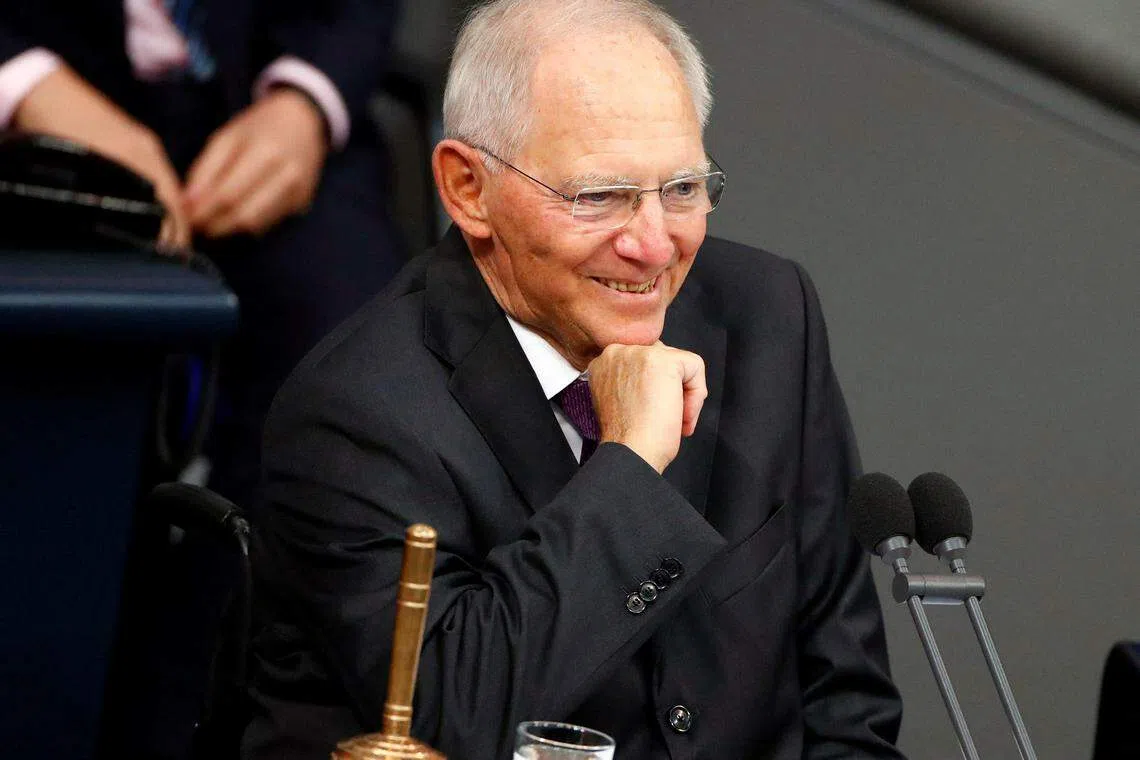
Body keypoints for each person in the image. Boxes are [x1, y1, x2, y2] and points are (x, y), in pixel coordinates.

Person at [246, 1, 904, 758]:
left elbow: (846, 706)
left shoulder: (768, 319)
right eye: (599, 196)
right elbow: (452, 721)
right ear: (467, 188)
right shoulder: (356, 415)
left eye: (683, 189)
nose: (654, 244)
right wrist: (629, 470)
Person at [1, 2, 405, 757]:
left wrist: (307, 100)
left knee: (353, 365)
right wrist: (25, 83)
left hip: (263, 103)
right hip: (32, 100)